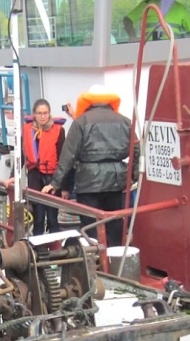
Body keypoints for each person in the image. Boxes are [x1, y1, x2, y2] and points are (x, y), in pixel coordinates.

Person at [42, 85, 135, 247]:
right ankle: (113, 264)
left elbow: (67, 156)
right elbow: (138, 150)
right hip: (116, 182)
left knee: (90, 230)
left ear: (88, 102)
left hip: (88, 183)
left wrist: (54, 183)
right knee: (115, 226)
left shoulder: (81, 122)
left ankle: (94, 265)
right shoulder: (125, 121)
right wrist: (131, 178)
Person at [22, 98, 66, 236]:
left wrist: (64, 186)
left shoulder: (59, 130)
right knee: (38, 217)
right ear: (34, 114)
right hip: (35, 176)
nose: (42, 116)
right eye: (39, 113)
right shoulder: (27, 130)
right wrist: (12, 176)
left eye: (45, 113)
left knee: (53, 217)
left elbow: (63, 159)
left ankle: (55, 249)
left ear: (49, 113)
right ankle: (38, 250)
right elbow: (21, 155)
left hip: (52, 177)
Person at [122, 0, 190, 42]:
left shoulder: (180, 8)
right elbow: (127, 20)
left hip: (172, 50)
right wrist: (132, 36)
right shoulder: (147, 4)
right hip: (149, 50)